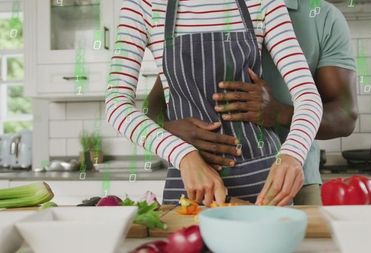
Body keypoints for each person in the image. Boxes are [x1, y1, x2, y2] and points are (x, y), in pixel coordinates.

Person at [105, 0, 323, 206]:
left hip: (265, 185)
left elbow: (307, 96)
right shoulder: (143, 5)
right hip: (191, 185)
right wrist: (183, 154)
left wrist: (293, 154)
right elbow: (116, 104)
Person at [147, 0, 358, 205]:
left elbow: (346, 115)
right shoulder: (197, 12)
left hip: (290, 182)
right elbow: (154, 106)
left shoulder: (322, 16)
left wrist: (279, 113)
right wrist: (170, 130)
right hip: (201, 179)